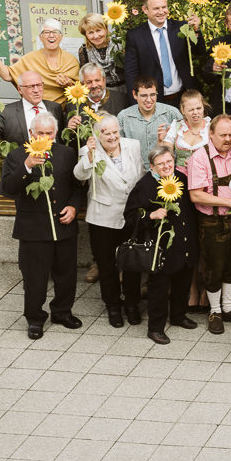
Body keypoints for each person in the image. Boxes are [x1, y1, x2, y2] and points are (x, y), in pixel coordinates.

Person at [0, 112, 87, 340]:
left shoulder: (67, 154)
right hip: (33, 229)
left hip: (63, 226)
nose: (45, 138)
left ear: (55, 134)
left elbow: (77, 187)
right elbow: (7, 189)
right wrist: (27, 167)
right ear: (31, 133)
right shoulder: (17, 156)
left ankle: (62, 311)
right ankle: (35, 318)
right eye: (40, 133)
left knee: (66, 275)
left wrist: (73, 207)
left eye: (49, 133)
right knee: (35, 278)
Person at [185, 113, 231, 333]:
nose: (228, 139)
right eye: (223, 135)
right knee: (214, 268)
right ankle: (215, 311)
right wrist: (228, 201)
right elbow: (196, 195)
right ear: (211, 134)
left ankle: (228, 308)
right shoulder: (200, 157)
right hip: (212, 221)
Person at [74, 115, 145, 328]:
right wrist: (90, 155)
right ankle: (113, 305)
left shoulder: (132, 145)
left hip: (130, 217)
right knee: (107, 266)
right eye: (106, 133)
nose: (112, 136)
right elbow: (79, 175)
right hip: (103, 217)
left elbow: (140, 175)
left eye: (115, 131)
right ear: (97, 134)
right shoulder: (90, 151)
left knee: (132, 264)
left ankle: (132, 304)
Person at [124, 145, 198, 344]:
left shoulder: (180, 179)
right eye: (161, 164)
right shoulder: (145, 185)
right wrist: (150, 215)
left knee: (183, 282)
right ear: (152, 166)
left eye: (169, 162)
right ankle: (155, 328)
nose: (166, 166)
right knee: (159, 287)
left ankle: (178, 316)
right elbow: (130, 216)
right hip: (161, 248)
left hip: (184, 243)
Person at [124, 0, 200, 107]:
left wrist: (196, 31)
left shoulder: (181, 28)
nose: (161, 12)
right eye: (156, 8)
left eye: (164, 7)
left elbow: (199, 52)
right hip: (153, 103)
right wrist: (136, 105)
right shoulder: (135, 36)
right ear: (145, 10)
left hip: (183, 99)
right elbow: (131, 74)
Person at [0, 18, 81, 102]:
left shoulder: (71, 61)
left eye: (55, 32)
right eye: (46, 32)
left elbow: (80, 91)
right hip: (36, 109)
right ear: (41, 37)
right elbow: (8, 76)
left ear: (61, 36)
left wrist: (68, 85)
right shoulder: (30, 58)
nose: (51, 35)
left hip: (62, 112)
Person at [75, 14, 128, 114]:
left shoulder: (120, 44)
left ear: (106, 29)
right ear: (85, 35)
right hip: (100, 92)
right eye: (91, 32)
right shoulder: (84, 51)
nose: (96, 36)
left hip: (123, 88)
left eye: (99, 30)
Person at [0, 71, 64, 148]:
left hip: (53, 158)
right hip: (22, 159)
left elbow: (62, 138)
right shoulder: (6, 112)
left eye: (39, 85)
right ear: (19, 89)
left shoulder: (55, 108)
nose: (36, 90)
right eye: (30, 86)